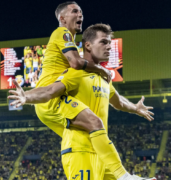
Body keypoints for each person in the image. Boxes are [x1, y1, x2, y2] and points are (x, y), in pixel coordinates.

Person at [8, 24, 155, 180]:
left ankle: (126, 177)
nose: (109, 47)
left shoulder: (104, 78)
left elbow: (118, 101)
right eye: (104, 42)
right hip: (80, 151)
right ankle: (125, 177)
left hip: (102, 154)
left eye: (110, 44)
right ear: (88, 45)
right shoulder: (77, 73)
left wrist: (135, 108)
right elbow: (50, 90)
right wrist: (27, 96)